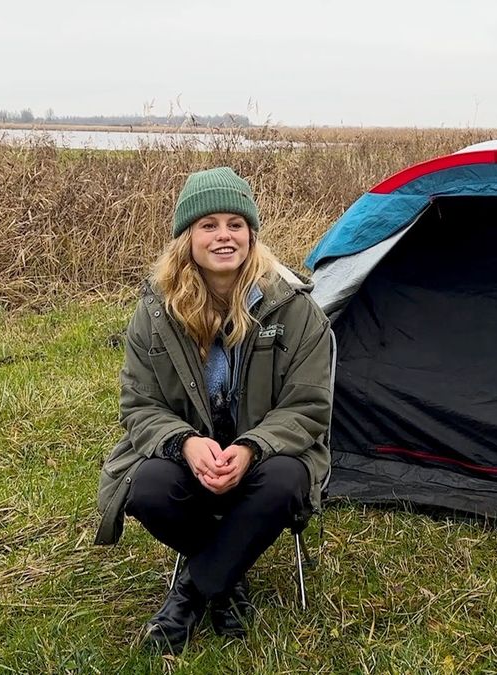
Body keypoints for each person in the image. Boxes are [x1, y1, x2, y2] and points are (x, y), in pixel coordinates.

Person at [93, 166, 333, 653]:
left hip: (267, 458)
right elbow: (139, 404)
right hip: (191, 457)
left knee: (287, 480)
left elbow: (308, 406)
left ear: (251, 234)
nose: (224, 235)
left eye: (235, 223)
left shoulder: (294, 308)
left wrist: (250, 447)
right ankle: (227, 575)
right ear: (188, 237)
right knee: (146, 488)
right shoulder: (156, 311)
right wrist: (184, 443)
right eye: (209, 225)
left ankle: (194, 592)